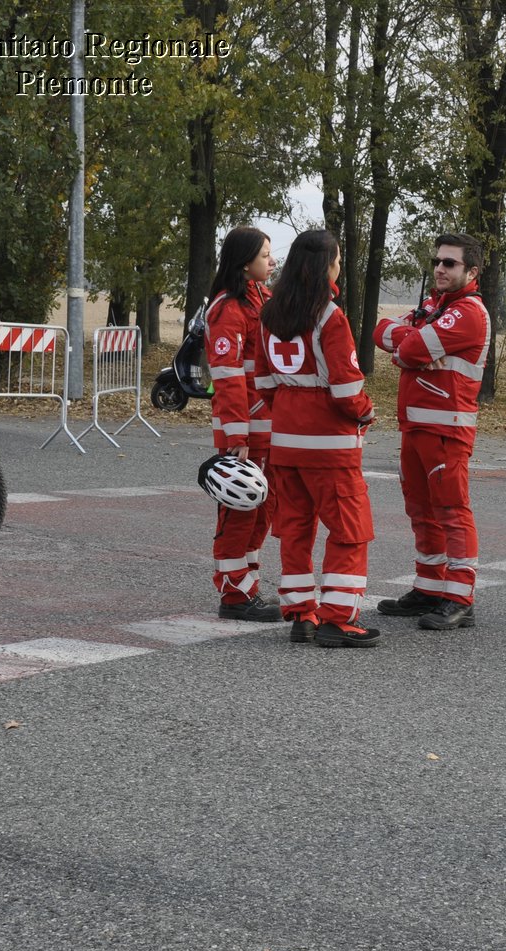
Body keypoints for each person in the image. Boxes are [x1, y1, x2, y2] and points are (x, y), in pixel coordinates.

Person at [253, 229, 381, 649]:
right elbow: (346, 389)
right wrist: (366, 411)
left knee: (295, 530)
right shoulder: (329, 316)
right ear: (327, 265)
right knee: (349, 530)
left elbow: (265, 383)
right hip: (329, 444)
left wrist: (289, 408)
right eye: (338, 259)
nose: (339, 266)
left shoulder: (270, 314)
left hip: (285, 440)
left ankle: (301, 615)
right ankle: (338, 619)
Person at [372, 234, 491, 631]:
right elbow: (381, 332)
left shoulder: (468, 312)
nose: (440, 268)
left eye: (450, 263)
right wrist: (413, 342)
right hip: (417, 427)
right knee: (421, 511)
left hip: (446, 430)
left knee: (452, 512)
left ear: (471, 272)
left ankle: (459, 598)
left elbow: (406, 351)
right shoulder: (433, 306)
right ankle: (428, 587)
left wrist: (411, 344)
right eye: (438, 261)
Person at [205, 226, 280, 621]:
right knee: (239, 510)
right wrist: (237, 434)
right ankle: (234, 595)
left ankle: (248, 585)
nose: (271, 261)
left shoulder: (261, 299)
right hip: (245, 432)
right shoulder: (227, 308)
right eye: (265, 254)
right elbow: (228, 375)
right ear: (244, 260)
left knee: (261, 510)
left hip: (267, 427)